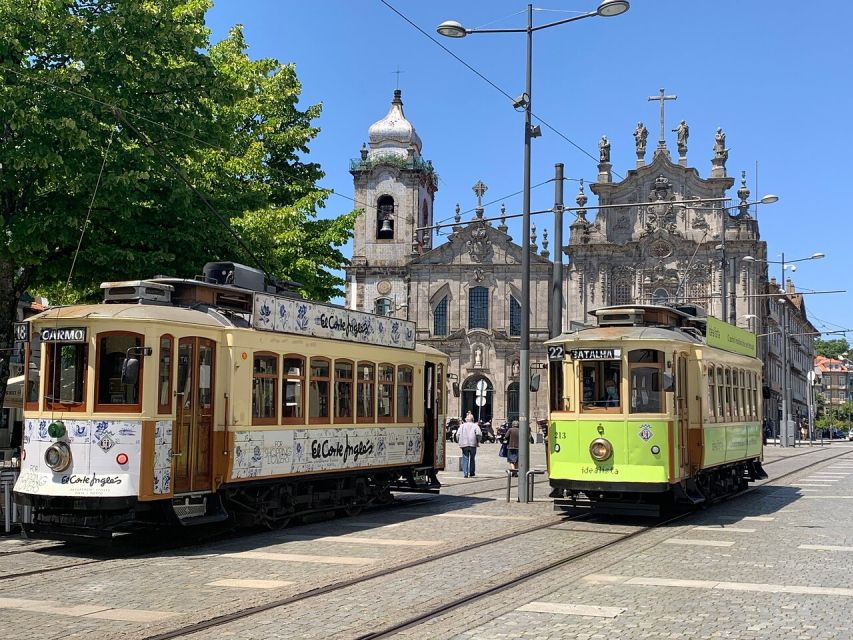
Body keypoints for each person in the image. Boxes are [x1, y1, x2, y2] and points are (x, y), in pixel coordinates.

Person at [457, 412, 481, 478]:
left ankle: (465, 473)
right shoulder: (475, 425)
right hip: (473, 444)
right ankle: (472, 472)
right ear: (473, 419)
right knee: (472, 458)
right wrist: (477, 441)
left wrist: (459, 441)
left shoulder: (462, 426)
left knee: (465, 458)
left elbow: (457, 434)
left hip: (464, 444)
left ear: (466, 419)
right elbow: (479, 434)